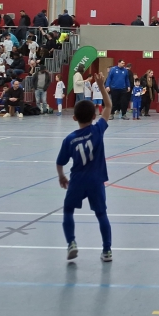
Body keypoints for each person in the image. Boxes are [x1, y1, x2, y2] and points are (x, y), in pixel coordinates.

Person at [56, 75, 113, 262]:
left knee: (68, 210)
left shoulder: (70, 139)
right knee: (101, 214)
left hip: (78, 180)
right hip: (96, 180)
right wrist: (101, 86)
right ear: (94, 116)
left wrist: (61, 176)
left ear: (74, 118)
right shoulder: (97, 130)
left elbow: (60, 162)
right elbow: (108, 106)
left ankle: (71, 243)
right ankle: (107, 250)